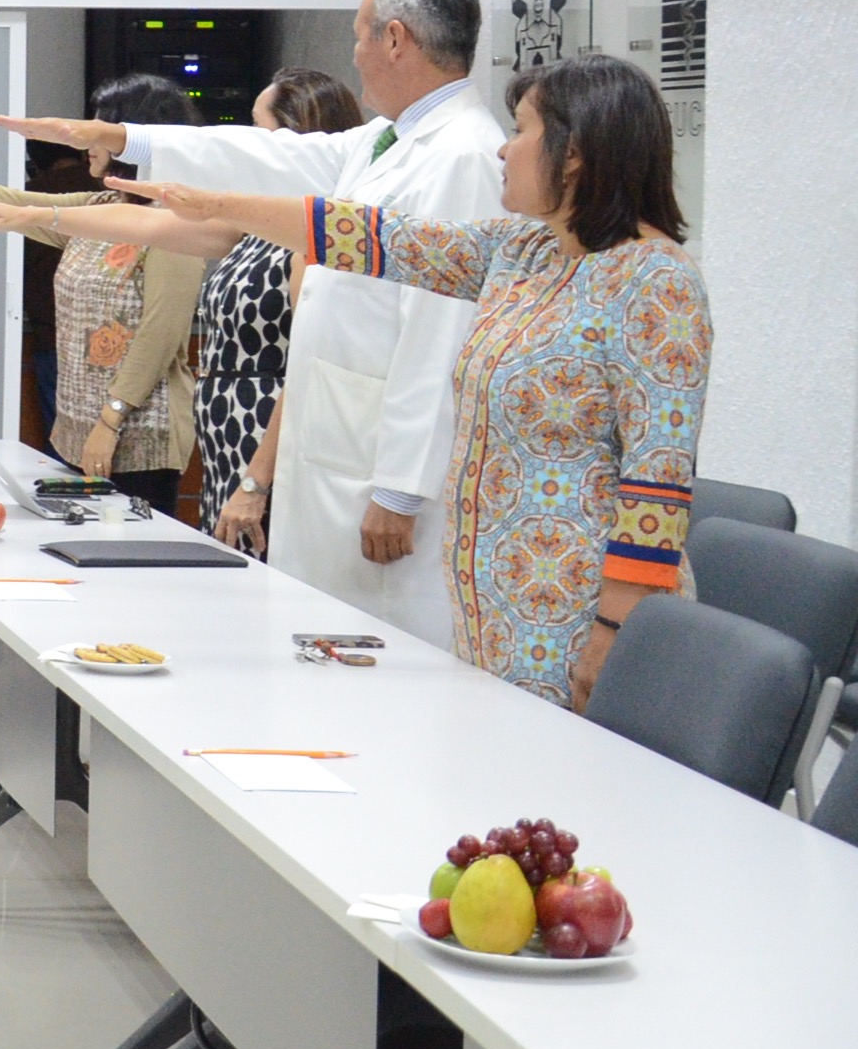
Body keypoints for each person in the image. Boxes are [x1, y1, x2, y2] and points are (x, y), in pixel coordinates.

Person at [81, 54, 706, 707]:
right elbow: (372, 238)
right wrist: (208, 199)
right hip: (487, 600)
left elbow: (656, 484)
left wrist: (615, 630)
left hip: (574, 612)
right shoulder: (522, 253)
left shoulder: (657, 283)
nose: (503, 148)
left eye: (520, 131)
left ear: (573, 154)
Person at [0, 0, 506, 651]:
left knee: (380, 650)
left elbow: (441, 335)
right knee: (317, 638)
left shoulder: (462, 154)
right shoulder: (386, 141)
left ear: (395, 39)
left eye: (360, 35)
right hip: (332, 441)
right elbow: (273, 158)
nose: (352, 54)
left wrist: (401, 489)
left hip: (378, 465)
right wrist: (128, 140)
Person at [0, 74, 206, 519]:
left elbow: (161, 333)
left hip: (137, 436)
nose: (88, 136)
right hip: (78, 430)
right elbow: (7, 199)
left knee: (130, 570)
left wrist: (110, 421)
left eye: (102, 124)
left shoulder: (173, 218)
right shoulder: (101, 207)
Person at [198, 67, 367, 545]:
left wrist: (256, 480)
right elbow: (157, 227)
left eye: (259, 127)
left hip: (264, 441)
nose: (251, 142)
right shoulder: (260, 223)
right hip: (228, 441)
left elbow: (308, 365)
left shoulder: (313, 235)